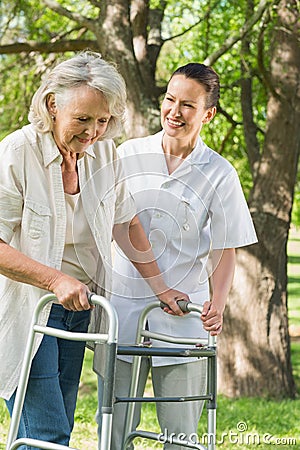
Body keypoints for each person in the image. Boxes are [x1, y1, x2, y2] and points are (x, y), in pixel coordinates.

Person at [0, 51, 189, 449]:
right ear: (53, 105)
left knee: (58, 426)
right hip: (28, 306)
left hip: (80, 307)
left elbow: (127, 223)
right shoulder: (18, 152)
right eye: (82, 119)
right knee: (45, 432)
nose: (92, 132)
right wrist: (55, 279)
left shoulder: (104, 153)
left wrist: (161, 288)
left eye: (102, 121)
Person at [99, 63, 258, 449]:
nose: (174, 111)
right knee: (113, 433)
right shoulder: (128, 154)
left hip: (185, 319)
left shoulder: (220, 173)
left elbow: (224, 248)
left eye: (188, 104)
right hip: (123, 310)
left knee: (182, 436)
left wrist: (217, 304)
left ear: (208, 114)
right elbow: (114, 226)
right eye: (170, 99)